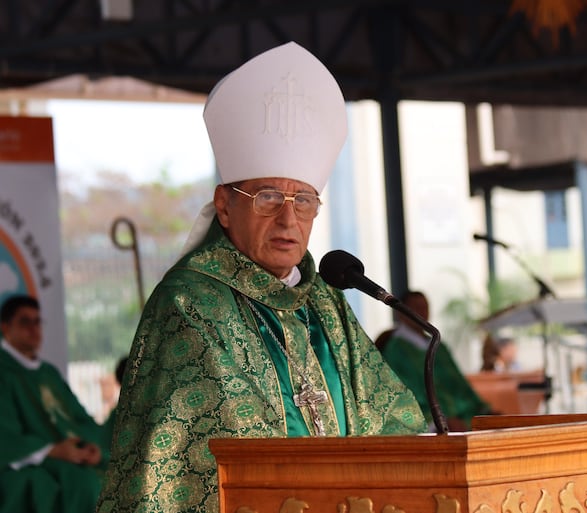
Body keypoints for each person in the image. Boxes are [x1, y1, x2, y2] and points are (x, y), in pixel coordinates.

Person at [97, 42, 426, 513]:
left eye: (304, 201)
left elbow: (393, 416)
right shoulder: (189, 302)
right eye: (268, 197)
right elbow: (208, 446)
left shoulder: (325, 300)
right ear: (226, 207)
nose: (289, 221)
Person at [0, 294, 110, 513]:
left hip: (70, 453)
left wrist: (91, 447)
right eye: (25, 322)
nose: (34, 329)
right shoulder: (3, 372)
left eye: (37, 321)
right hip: (30, 458)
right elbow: (6, 435)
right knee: (83, 484)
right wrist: (52, 450)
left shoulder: (48, 373)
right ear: (5, 327)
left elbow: (79, 418)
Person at [378, 290, 491, 432]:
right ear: (401, 312)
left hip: (462, 418)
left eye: (425, 307)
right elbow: (401, 395)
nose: (422, 312)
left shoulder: (438, 346)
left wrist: (484, 411)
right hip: (431, 423)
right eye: (416, 307)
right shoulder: (395, 350)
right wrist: (438, 421)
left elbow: (459, 383)